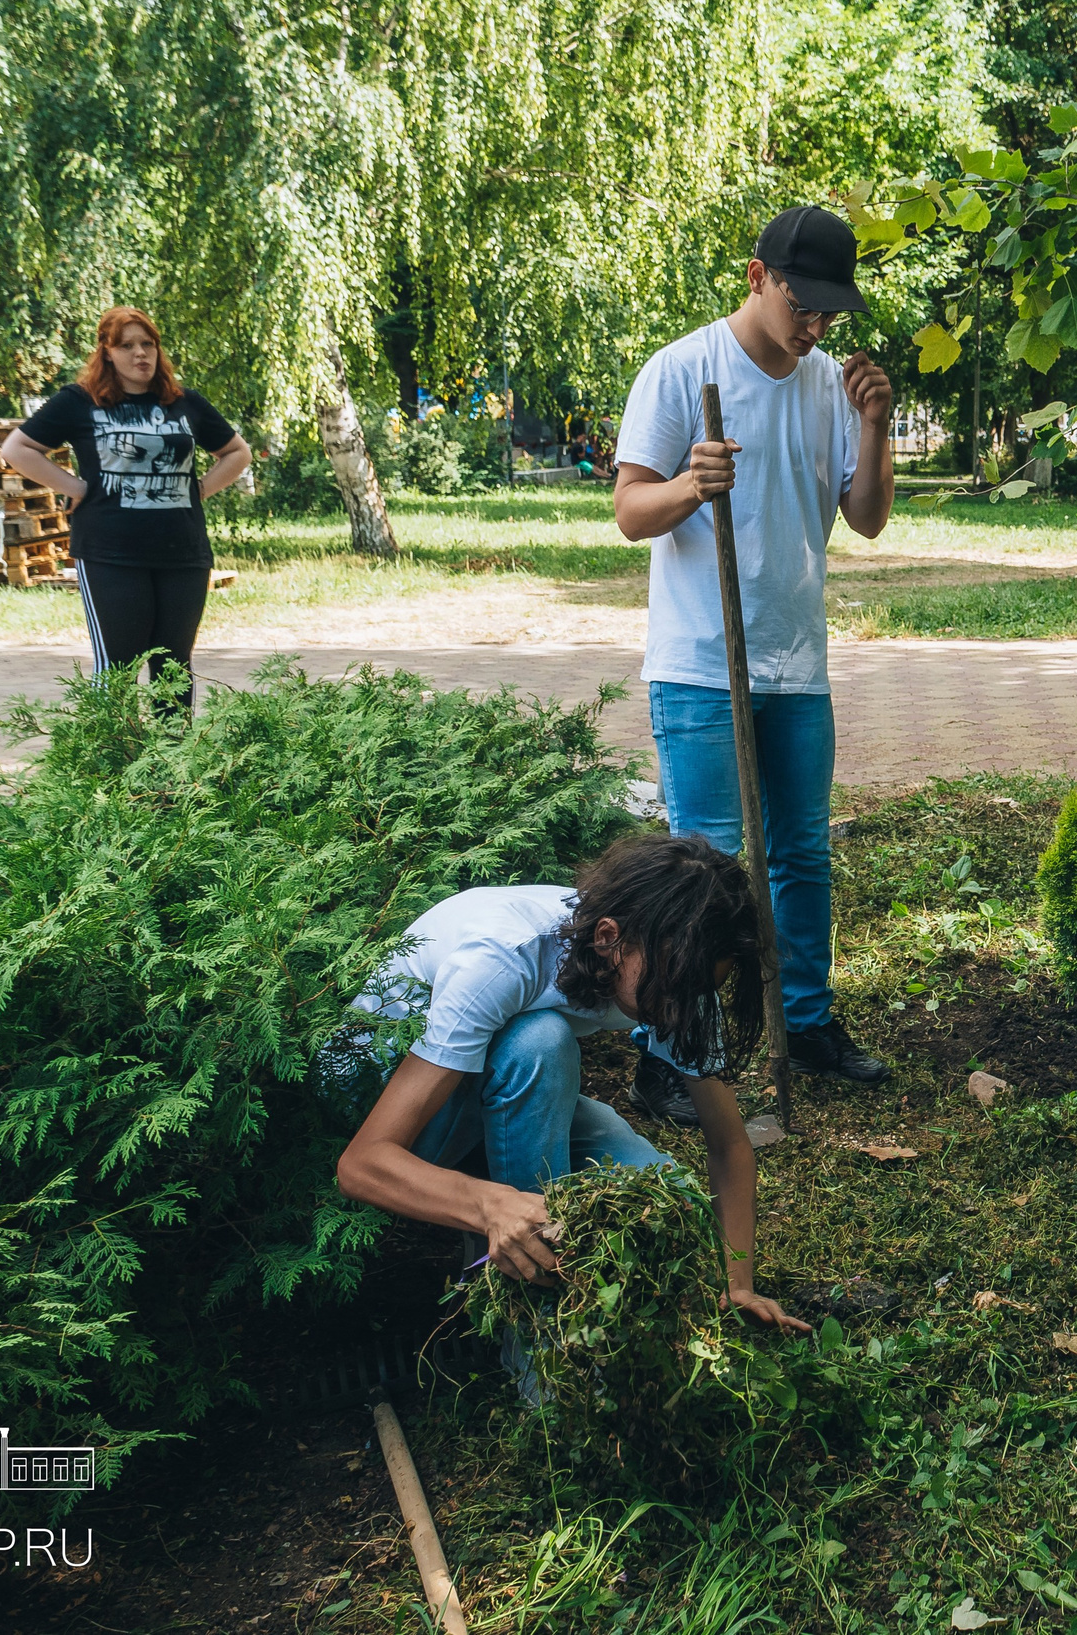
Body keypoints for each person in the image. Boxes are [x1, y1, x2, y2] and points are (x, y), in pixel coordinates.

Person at [612, 206, 896, 1124]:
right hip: (700, 661)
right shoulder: (682, 370)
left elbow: (866, 517)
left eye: (830, 312)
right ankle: (670, 1056)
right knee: (704, 862)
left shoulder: (828, 389)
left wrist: (877, 426)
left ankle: (804, 1023)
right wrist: (692, 484)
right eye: (802, 303)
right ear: (757, 276)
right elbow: (629, 510)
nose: (816, 325)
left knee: (801, 853)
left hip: (795, 662)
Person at [332, 833, 809, 1332]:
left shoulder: (676, 972)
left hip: (484, 1082)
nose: (682, 1011)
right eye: (673, 988)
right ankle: (529, 1324)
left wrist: (735, 1282)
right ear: (608, 938)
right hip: (385, 1097)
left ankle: (525, 1228)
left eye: (701, 991)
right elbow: (363, 1164)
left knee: (671, 1204)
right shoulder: (501, 960)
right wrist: (489, 1205)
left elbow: (730, 1147)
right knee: (541, 1040)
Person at [2, 307, 250, 707]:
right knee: (117, 666)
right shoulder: (79, 402)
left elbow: (237, 452)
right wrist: (75, 487)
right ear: (107, 351)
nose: (141, 354)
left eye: (148, 344)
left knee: (173, 667)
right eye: (128, 345)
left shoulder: (185, 403)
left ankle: (173, 762)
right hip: (110, 554)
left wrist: (200, 488)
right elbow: (16, 448)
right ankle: (114, 764)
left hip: (183, 554)